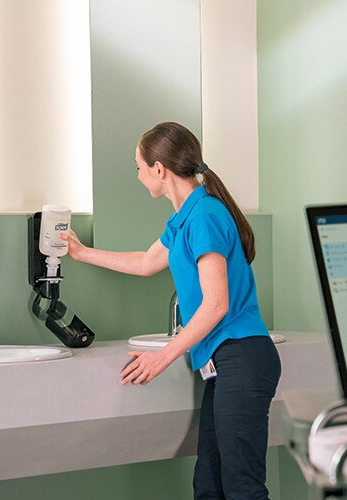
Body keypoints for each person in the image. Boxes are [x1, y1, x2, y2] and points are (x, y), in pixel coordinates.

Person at [63, 122, 281, 500]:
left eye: (138, 166)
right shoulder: (184, 219)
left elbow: (216, 304)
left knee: (242, 488)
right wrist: (81, 253)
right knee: (209, 487)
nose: (138, 174)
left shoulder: (205, 216)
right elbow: (147, 262)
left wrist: (160, 357)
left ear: (159, 169)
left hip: (242, 357)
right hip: (225, 363)